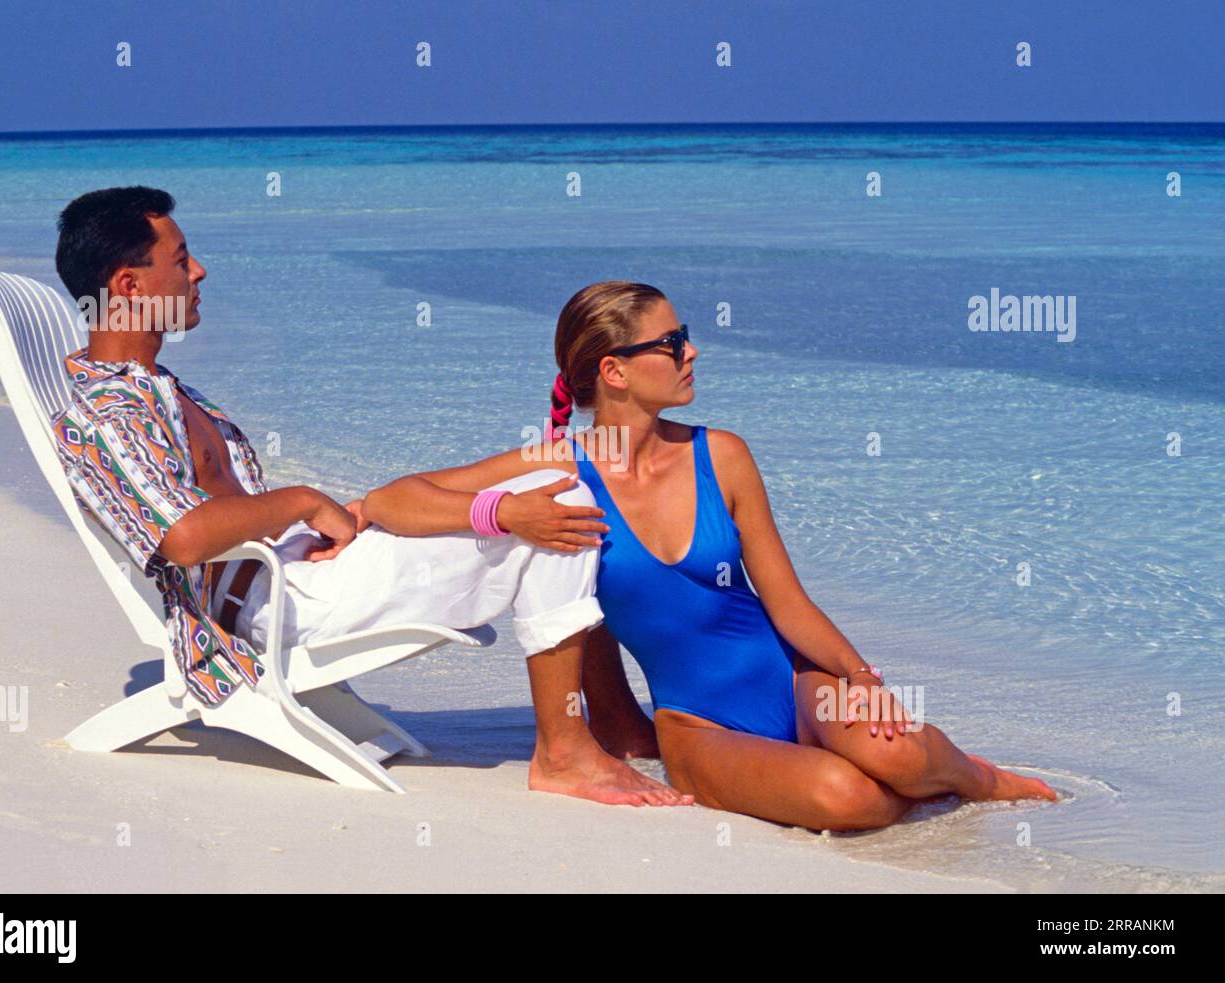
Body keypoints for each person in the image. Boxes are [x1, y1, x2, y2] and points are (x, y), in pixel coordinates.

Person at [50, 187, 692, 808]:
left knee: (547, 484)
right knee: (555, 510)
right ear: (128, 286)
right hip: (279, 605)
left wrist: (317, 523)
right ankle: (566, 748)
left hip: (297, 570)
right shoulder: (107, 408)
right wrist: (304, 500)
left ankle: (605, 720)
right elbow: (182, 536)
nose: (199, 270)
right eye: (179, 258)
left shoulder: (157, 387)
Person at [362, 281, 1059, 830]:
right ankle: (883, 781)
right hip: (697, 726)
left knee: (896, 754)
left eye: (686, 337)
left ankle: (978, 776)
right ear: (616, 371)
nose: (691, 352)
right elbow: (393, 499)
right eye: (672, 343)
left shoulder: (721, 456)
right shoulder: (562, 468)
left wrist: (859, 674)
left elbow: (786, 599)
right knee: (851, 798)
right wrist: (504, 510)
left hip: (790, 681)